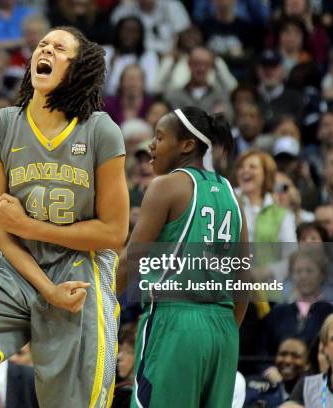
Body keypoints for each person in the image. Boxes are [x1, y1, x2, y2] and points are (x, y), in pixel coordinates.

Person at [0, 26, 129, 408]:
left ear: (78, 67)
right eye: (42, 45)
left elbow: (114, 232)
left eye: (58, 48)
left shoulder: (101, 130)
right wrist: (44, 287)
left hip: (80, 274)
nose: (45, 50)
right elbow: (0, 230)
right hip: (17, 267)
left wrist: (31, 227)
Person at [118, 106, 248, 407]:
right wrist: (222, 331)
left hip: (176, 324)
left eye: (160, 137)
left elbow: (131, 261)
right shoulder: (232, 195)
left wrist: (96, 309)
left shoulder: (166, 186)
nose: (151, 145)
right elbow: (244, 279)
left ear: (187, 145)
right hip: (224, 331)